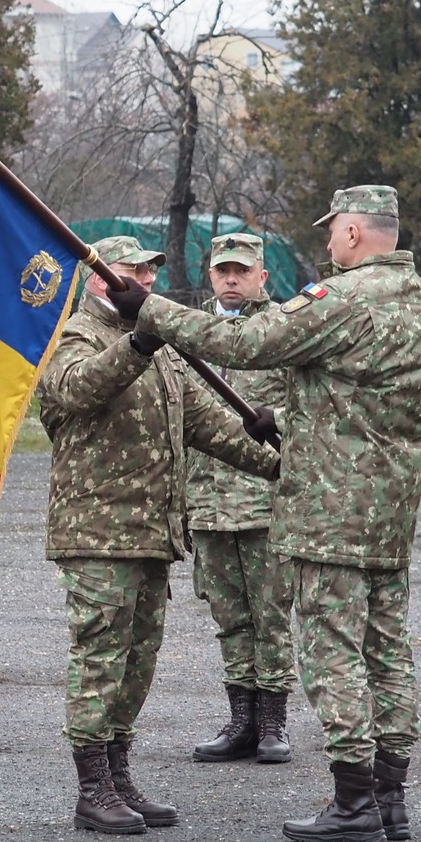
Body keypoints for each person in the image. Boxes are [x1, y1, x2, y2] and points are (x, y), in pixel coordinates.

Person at [128, 185, 421, 842]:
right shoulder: (420, 302)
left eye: (333, 230)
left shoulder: (342, 297)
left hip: (332, 508)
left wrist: (153, 311)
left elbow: (246, 341)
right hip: (390, 506)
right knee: (387, 650)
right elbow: (410, 379)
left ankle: (352, 799)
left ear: (356, 233)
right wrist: (297, 415)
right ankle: (390, 797)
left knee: (332, 651)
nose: (327, 242)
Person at [36, 236, 281, 835]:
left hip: (152, 532)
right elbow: (76, 390)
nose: (145, 279)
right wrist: (138, 343)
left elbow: (211, 425)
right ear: (99, 281)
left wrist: (282, 456)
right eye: (131, 271)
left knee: (137, 663)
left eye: (149, 270)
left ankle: (119, 775)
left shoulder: (166, 350)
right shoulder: (78, 336)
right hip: (97, 532)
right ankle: (91, 786)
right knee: (99, 659)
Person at [185, 234, 297, 765]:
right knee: (229, 615)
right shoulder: (191, 332)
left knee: (270, 612)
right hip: (206, 498)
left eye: (241, 270)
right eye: (222, 270)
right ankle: (242, 720)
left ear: (261, 276)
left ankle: (274, 722)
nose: (231, 279)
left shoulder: (283, 329)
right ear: (210, 275)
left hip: (264, 499)